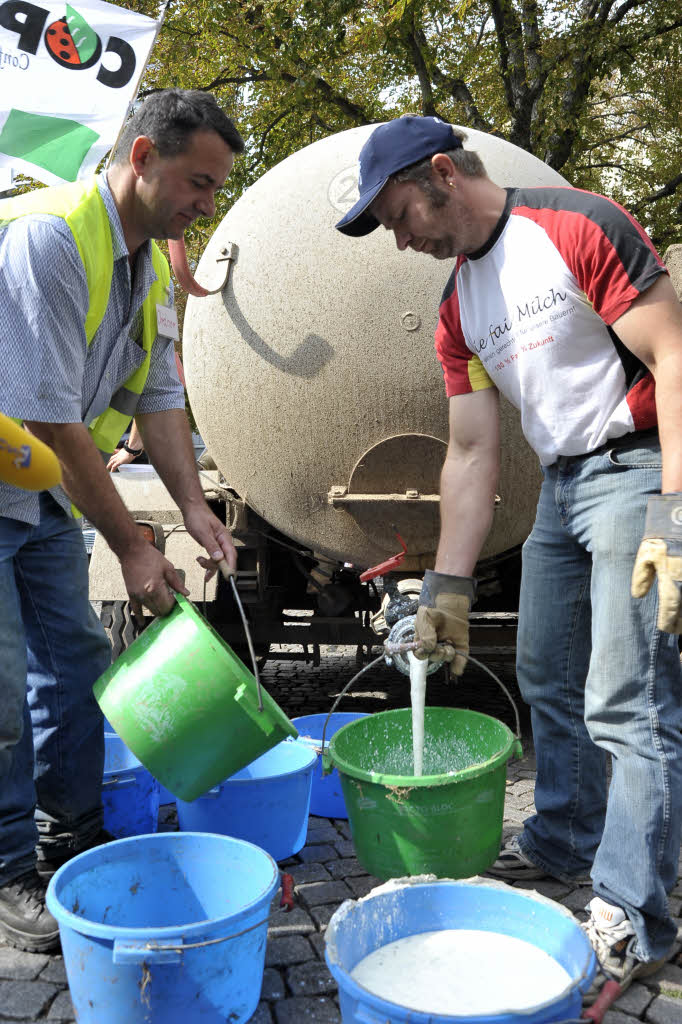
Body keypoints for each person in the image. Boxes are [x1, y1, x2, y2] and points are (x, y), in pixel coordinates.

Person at [336, 115, 682, 999]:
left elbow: (674, 357)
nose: (399, 237)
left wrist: (673, 520)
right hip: (562, 487)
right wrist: (446, 587)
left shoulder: (574, 226)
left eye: (398, 213)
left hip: (635, 466)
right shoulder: (459, 307)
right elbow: (472, 453)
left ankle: (636, 910)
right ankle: (565, 837)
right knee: (544, 673)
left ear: (443, 173)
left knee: (626, 697)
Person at [0, 88, 244, 952]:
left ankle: (72, 833)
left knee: (72, 664)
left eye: (214, 189)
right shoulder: (53, 238)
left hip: (43, 493)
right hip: (15, 473)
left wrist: (191, 510)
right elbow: (53, 419)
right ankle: (6, 871)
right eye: (198, 182)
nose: (205, 203)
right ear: (142, 156)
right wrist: (134, 550)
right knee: (1, 690)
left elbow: (161, 397)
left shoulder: (148, 265)